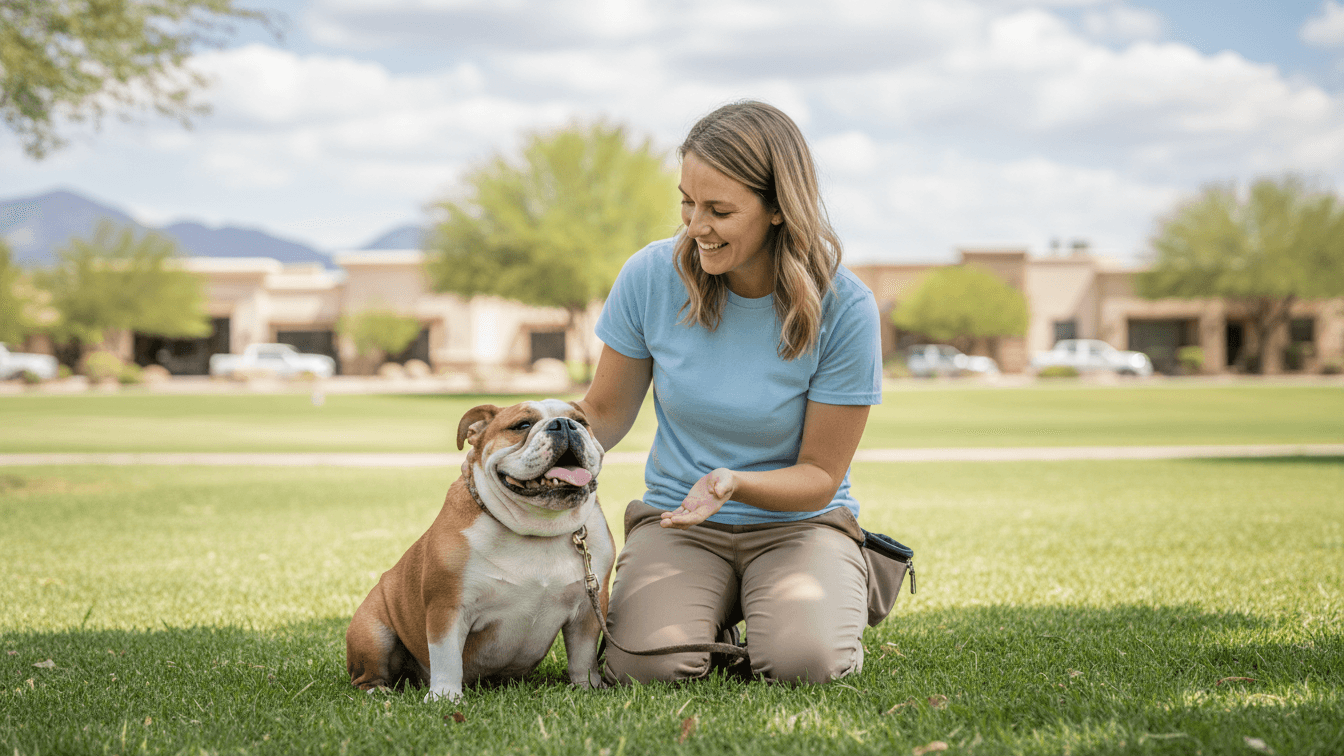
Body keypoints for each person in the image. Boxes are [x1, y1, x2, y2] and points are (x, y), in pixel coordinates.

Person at [575, 100, 883, 685]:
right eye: (687, 204)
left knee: (804, 665)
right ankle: (713, 617)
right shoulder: (649, 276)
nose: (695, 227)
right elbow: (604, 414)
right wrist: (532, 437)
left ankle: (820, 601)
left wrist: (733, 483)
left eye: (719, 210)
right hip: (679, 524)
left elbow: (819, 473)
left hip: (802, 524)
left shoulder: (845, 305)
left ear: (776, 208)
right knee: (644, 668)